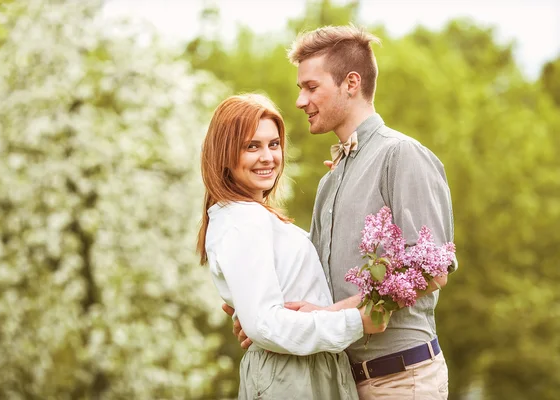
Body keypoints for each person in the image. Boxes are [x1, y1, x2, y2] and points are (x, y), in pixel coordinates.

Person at [225, 25, 458, 399]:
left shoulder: (402, 155)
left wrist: (331, 314)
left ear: (351, 83)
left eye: (311, 87)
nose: (300, 101)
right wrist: (262, 314)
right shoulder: (330, 181)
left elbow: (430, 272)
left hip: (402, 379)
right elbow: (315, 281)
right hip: (339, 382)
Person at [196, 93, 391, 400]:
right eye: (252, 146)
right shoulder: (242, 221)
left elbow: (264, 314)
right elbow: (266, 324)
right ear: (225, 154)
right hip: (292, 374)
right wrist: (355, 320)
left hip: (306, 366)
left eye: (273, 144)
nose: (268, 157)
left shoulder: (252, 216)